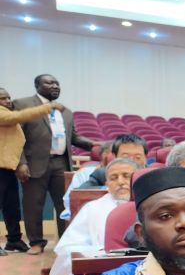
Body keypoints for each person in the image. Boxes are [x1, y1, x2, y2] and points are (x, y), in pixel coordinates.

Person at [13, 74, 98, 254]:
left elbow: (73, 137)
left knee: (64, 204)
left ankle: (65, 242)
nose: (55, 86)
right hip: (33, 163)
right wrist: (21, 163)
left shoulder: (65, 111)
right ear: (37, 86)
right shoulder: (23, 104)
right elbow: (16, 136)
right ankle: (36, 243)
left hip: (61, 163)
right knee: (33, 204)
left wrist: (94, 145)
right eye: (49, 83)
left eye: (57, 83)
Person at [49, 158, 136, 275]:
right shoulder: (92, 208)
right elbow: (67, 249)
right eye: (114, 178)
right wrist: (106, 253)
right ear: (107, 184)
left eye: (126, 176)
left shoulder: (152, 205)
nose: (120, 181)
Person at [0, 85, 61, 253]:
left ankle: (14, 240)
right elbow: (20, 116)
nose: (8, 101)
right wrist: (47, 107)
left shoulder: (8, 115)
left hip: (7, 166)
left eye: (8, 97)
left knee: (11, 206)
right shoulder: (6, 115)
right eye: (2, 99)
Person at [76, 134, 148, 189]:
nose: (132, 162)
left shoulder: (152, 175)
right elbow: (81, 192)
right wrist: (111, 188)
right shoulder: (103, 174)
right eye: (126, 158)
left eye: (137, 157)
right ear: (114, 157)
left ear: (145, 157)